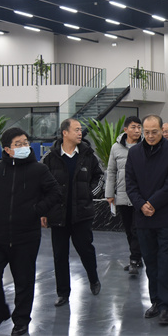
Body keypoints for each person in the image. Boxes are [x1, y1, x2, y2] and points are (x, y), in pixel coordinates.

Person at [0, 127, 61, 336]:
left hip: (26, 236)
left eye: (25, 143)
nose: (24, 146)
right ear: (7, 149)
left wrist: (36, 211)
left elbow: (55, 192)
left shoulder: (38, 170)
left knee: (24, 280)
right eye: (18, 144)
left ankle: (21, 321)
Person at [126, 115, 168, 325]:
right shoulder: (134, 153)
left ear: (162, 130)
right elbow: (130, 183)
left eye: (155, 132)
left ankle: (167, 306)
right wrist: (141, 204)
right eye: (147, 132)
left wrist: (153, 203)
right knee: (150, 263)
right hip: (143, 218)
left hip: (167, 217)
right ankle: (156, 302)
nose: (150, 136)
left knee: (167, 263)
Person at [41, 119, 105, 307]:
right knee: (60, 255)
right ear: (65, 133)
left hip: (82, 214)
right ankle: (63, 293)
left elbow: (99, 177)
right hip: (58, 215)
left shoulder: (88, 154)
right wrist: (43, 210)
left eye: (80, 130)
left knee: (86, 250)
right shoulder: (50, 157)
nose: (80, 133)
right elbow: (41, 185)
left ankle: (93, 279)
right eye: (76, 130)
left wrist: (89, 194)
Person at [105, 116, 143, 274]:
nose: (137, 130)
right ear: (126, 129)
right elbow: (111, 171)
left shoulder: (145, 146)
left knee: (136, 229)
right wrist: (109, 194)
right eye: (134, 127)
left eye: (139, 127)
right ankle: (138, 258)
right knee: (128, 230)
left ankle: (134, 260)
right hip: (122, 195)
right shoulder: (116, 147)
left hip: (140, 195)